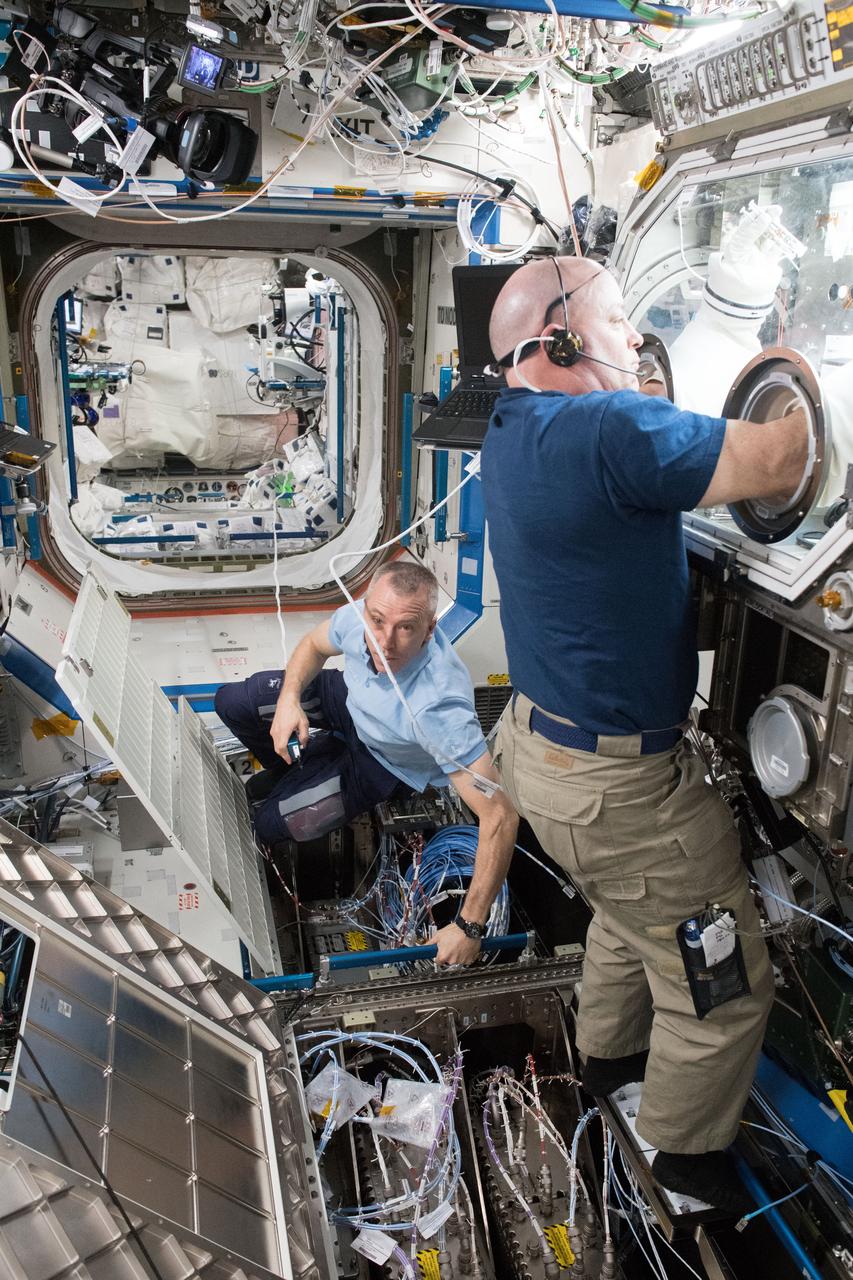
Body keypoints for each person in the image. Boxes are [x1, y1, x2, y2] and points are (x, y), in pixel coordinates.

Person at [477, 256, 809, 1212]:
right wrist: (810, 375)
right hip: (619, 793)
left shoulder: (509, 427)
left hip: (540, 760)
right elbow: (782, 459)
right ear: (563, 339)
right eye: (620, 320)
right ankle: (683, 1162)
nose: (635, 340)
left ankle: (607, 1061)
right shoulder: (610, 429)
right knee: (720, 976)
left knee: (626, 916)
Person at [214, 559, 518, 965]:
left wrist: (469, 926)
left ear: (429, 630)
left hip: (382, 764)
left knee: (269, 823)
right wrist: (289, 699)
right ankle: (294, 764)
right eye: (377, 620)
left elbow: (500, 815)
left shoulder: (440, 708)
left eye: (405, 628)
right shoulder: (361, 619)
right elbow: (314, 645)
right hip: (348, 702)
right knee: (232, 702)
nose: (384, 642)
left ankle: (312, 770)